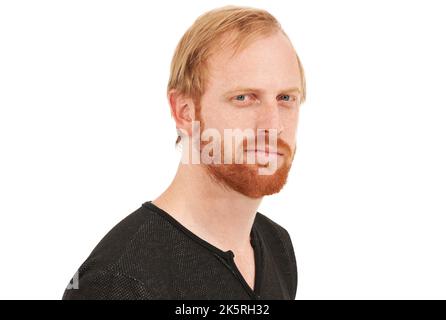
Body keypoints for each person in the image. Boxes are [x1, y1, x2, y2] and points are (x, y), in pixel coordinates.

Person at [63, 5, 306, 300]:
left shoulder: (277, 245)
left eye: (285, 98)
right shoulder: (118, 281)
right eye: (243, 97)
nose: (273, 125)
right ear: (185, 112)